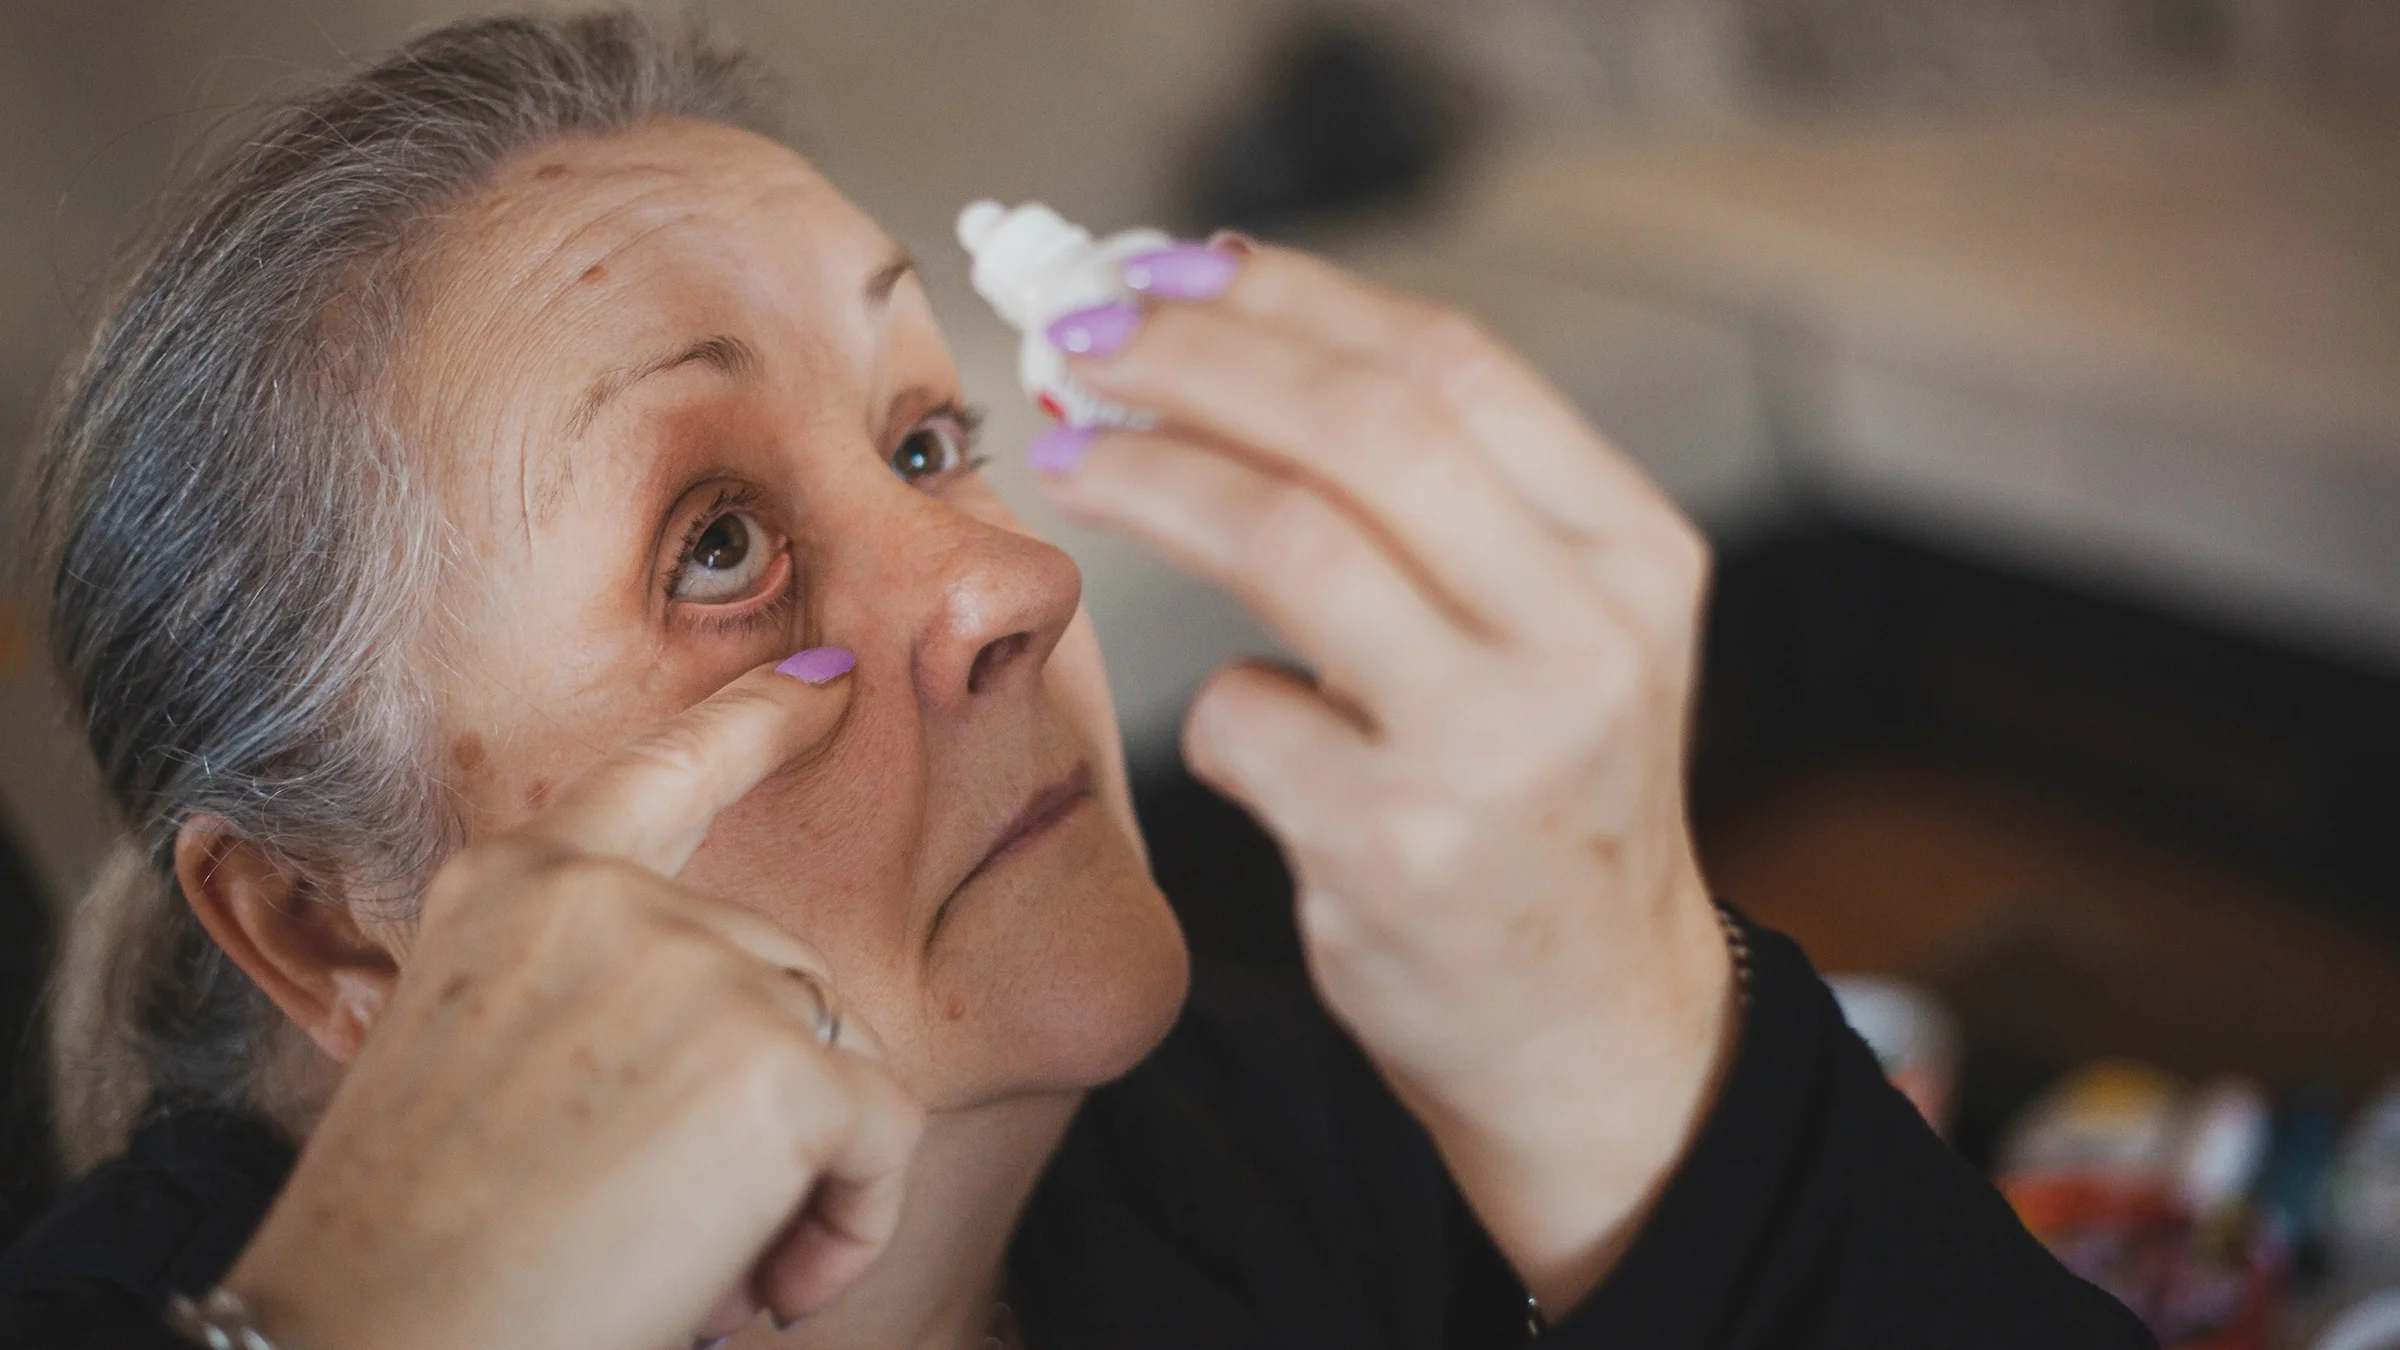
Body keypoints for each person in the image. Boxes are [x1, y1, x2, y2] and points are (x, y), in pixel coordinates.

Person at [0, 12, 2152, 1350]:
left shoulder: (1285, 1128)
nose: (1017, 579)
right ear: (328, 928)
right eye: (718, 545)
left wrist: (1651, 1072)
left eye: (929, 439)